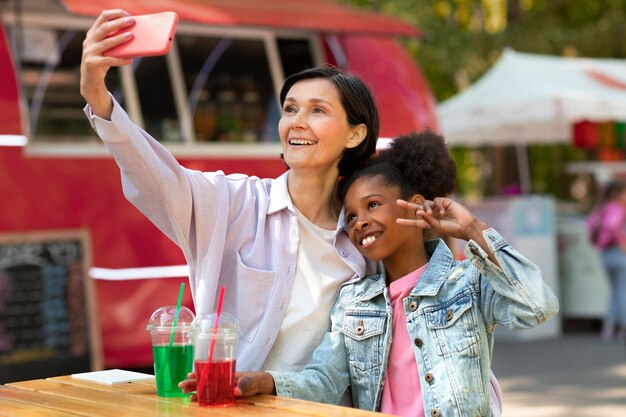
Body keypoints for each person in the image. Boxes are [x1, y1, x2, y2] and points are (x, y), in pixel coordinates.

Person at [80, 10, 504, 413]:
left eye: (317, 110)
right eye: (290, 109)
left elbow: (437, 323)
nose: (296, 122)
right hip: (233, 405)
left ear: (355, 134)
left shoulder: (371, 235)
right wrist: (99, 97)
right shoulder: (233, 203)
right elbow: (157, 176)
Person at [234, 131, 559, 417]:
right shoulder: (354, 301)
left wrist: (472, 228)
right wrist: (265, 381)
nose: (359, 221)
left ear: (415, 205)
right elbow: (325, 381)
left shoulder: (465, 283)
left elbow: (537, 306)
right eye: (351, 215)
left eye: (373, 205)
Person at [587, 179, 626, 343]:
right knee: (622, 291)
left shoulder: (600, 209)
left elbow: (590, 226)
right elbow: (612, 225)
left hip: (605, 254)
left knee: (615, 291)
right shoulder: (618, 208)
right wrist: (622, 242)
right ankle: (623, 329)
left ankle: (608, 329)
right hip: (618, 253)